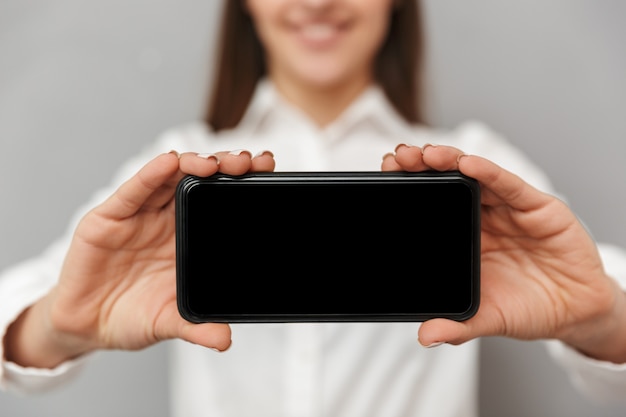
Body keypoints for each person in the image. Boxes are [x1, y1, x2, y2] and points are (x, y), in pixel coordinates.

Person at [2, 0, 626, 416]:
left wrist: (601, 320)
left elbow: (598, 296)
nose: (319, 1)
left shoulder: (475, 171)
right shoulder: (176, 169)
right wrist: (58, 326)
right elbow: (26, 310)